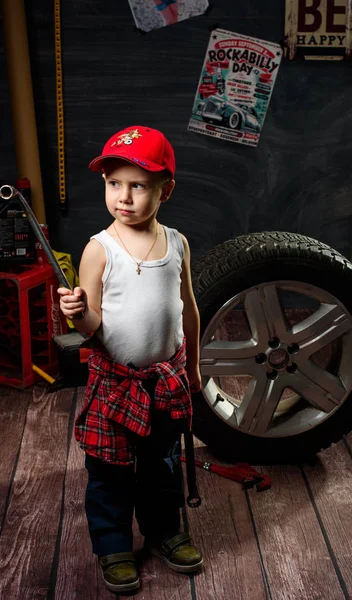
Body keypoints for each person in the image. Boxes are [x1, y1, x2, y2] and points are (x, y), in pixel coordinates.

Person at [58, 125, 203, 594]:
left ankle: (163, 532)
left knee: (160, 464)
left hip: (164, 380)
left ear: (166, 190)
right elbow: (91, 329)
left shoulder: (177, 244)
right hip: (116, 383)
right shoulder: (99, 250)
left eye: (138, 186)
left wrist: (194, 367)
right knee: (109, 470)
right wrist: (76, 314)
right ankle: (114, 544)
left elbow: (189, 310)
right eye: (113, 183)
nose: (123, 196)